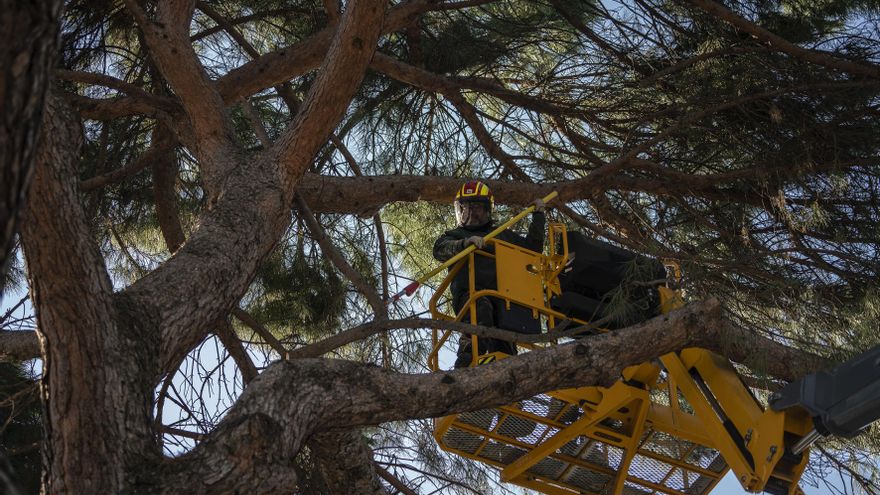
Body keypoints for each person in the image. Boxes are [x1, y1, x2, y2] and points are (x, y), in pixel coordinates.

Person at [433, 180, 546, 368]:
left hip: (503, 298)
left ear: (487, 210)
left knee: (504, 338)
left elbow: (532, 250)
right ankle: (468, 357)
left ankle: (508, 369)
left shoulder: (500, 235)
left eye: (476, 207)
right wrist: (465, 244)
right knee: (481, 309)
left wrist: (538, 216)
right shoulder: (455, 235)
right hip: (470, 295)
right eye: (466, 208)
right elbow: (439, 250)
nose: (470, 213)